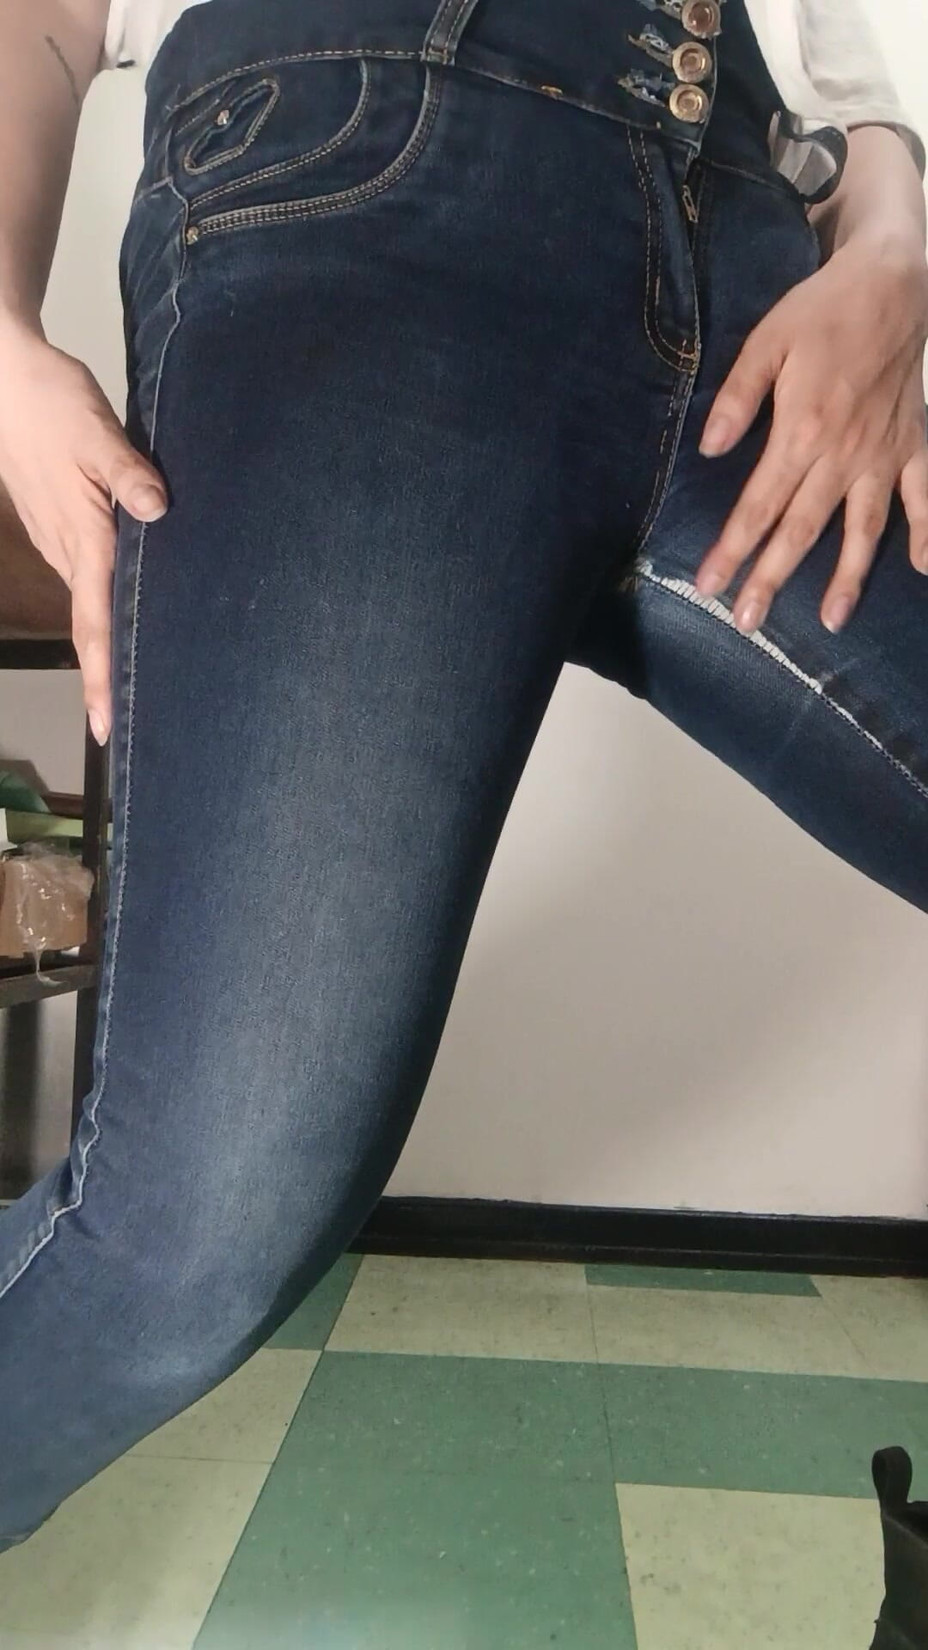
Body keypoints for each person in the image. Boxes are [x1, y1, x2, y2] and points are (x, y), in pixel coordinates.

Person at [0, 0, 925, 1556]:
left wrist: (897, 252)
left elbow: (838, 57)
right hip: (372, 178)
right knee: (188, 1228)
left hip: (770, 278)